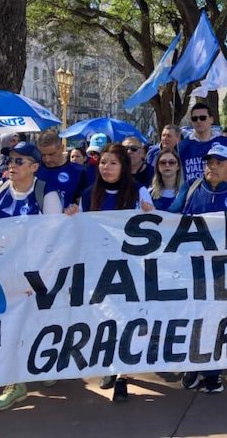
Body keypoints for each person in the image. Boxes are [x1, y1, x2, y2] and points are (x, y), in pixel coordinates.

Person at [0, 142, 63, 411]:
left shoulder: (46, 194)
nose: (12, 165)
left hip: (34, 272)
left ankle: (42, 366)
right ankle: (16, 383)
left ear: (35, 167)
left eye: (19, 161)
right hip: (4, 270)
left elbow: (55, 238)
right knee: (9, 324)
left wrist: (36, 276)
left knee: (37, 322)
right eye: (10, 160)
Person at [68, 143, 153, 401]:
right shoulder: (87, 195)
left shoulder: (139, 192)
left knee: (127, 319)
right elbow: (76, 232)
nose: (106, 167)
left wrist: (151, 214)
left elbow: (153, 227)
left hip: (131, 268)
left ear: (123, 166)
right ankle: (110, 364)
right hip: (99, 268)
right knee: (104, 319)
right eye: (103, 162)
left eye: (113, 163)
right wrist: (70, 215)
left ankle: (123, 375)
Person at [177, 144, 227, 394]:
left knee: (219, 320)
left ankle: (213, 372)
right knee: (195, 318)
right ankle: (193, 365)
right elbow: (171, 217)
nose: (212, 166)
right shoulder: (191, 188)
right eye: (209, 161)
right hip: (196, 268)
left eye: (219, 162)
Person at [177, 103, 227, 183]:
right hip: (193, 193)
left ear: (211, 119)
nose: (198, 121)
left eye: (203, 118)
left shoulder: (226, 143)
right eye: (194, 118)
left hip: (219, 192)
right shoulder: (181, 146)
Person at [36, 129, 87, 208]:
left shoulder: (79, 172)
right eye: (43, 155)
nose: (47, 159)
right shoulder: (33, 170)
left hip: (68, 219)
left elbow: (83, 205)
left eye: (51, 154)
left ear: (62, 148)